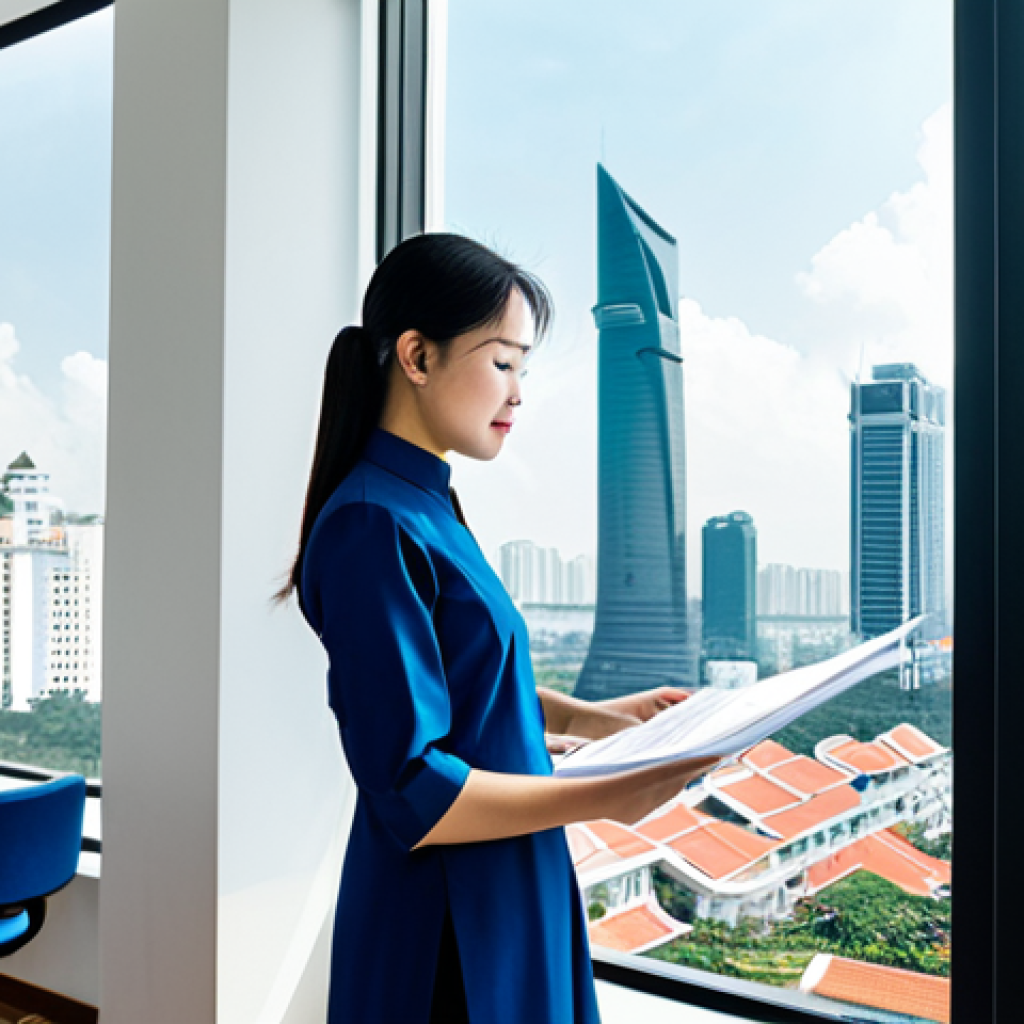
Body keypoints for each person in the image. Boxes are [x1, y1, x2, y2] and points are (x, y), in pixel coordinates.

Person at [276, 233, 717, 1023]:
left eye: (525, 368)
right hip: (447, 918)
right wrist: (609, 794)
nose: (518, 394)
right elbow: (414, 790)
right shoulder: (373, 524)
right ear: (417, 355)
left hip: (508, 880)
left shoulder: (427, 500)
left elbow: (465, 675)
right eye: (503, 362)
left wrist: (592, 719)